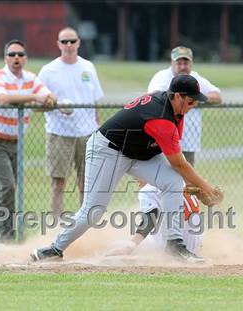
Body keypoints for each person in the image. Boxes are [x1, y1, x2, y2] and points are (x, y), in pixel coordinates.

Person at [31, 74, 223, 262]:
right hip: (107, 150)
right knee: (93, 211)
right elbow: (179, 163)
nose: (194, 105)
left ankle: (175, 243)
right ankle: (55, 249)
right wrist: (205, 187)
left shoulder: (175, 109)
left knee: (172, 181)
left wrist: (193, 183)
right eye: (191, 101)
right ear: (178, 96)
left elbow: (174, 160)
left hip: (138, 153)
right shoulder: (161, 117)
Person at [135, 46, 224, 256]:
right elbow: (155, 97)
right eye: (179, 62)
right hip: (161, 143)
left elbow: (218, 96)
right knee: (156, 187)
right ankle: (155, 231)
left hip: (188, 144)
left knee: (183, 187)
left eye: (186, 62)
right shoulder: (162, 78)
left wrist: (196, 97)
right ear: (172, 63)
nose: (182, 65)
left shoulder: (195, 79)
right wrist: (206, 188)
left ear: (191, 63)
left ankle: (181, 233)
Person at [0, 39, 55, 244]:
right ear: (6, 58)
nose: (16, 58)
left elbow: (49, 98)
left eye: (20, 55)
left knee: (2, 188)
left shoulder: (31, 78)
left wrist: (41, 98)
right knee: (7, 186)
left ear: (26, 58)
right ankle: (6, 237)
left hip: (17, 141)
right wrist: (33, 97)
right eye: (12, 54)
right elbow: (2, 98)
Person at [38, 27, 104, 218]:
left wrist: (96, 127)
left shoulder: (88, 67)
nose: (69, 45)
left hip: (87, 133)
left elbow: (94, 101)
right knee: (58, 181)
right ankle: (57, 223)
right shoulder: (49, 70)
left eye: (72, 41)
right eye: (64, 42)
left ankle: (82, 222)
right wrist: (54, 105)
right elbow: (38, 102)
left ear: (78, 43)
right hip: (60, 133)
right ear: (58, 44)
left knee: (85, 181)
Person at [106, 186, 204, 259]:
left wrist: (130, 246)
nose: (135, 177)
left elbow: (150, 219)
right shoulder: (180, 181)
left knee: (117, 244)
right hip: (195, 244)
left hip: (170, 249)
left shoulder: (148, 189)